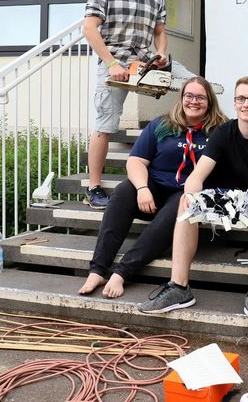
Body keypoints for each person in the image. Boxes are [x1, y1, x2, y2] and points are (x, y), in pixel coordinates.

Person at [137, 76, 248, 328]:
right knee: (187, 201)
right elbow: (197, 176)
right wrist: (189, 194)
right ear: (235, 102)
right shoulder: (223, 132)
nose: (246, 104)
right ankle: (179, 287)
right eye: (241, 98)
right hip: (226, 199)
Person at [77, 77, 228, 298]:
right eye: (189, 96)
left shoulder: (220, 131)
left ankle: (122, 272)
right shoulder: (162, 125)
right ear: (181, 98)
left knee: (179, 205)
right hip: (154, 189)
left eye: (200, 97)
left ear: (210, 101)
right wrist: (142, 188)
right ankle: (98, 269)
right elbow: (136, 161)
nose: (193, 101)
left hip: (190, 193)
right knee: (121, 192)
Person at [83, 0, 168, 210]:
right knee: (105, 126)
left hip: (144, 61)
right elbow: (89, 29)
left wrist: (162, 53)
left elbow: (159, 32)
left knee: (194, 85)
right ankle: (94, 187)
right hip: (114, 62)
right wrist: (111, 63)